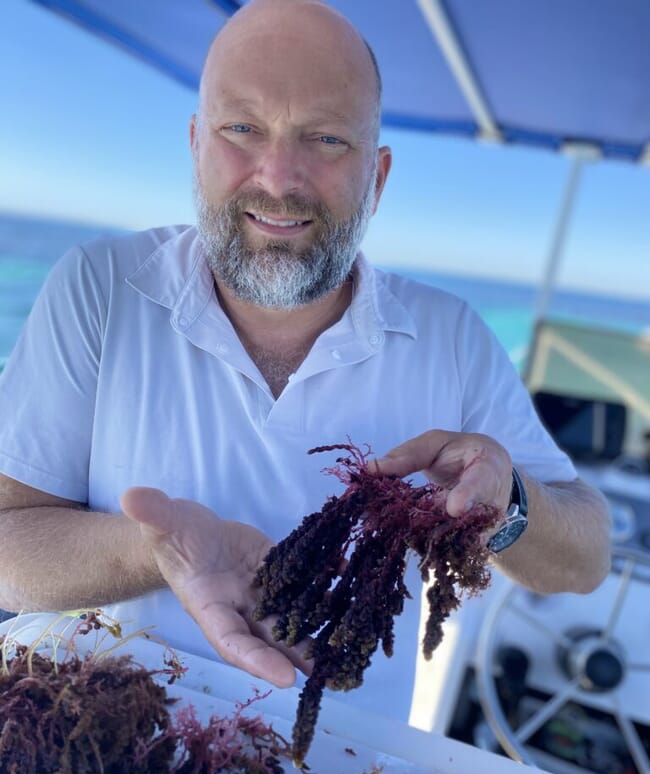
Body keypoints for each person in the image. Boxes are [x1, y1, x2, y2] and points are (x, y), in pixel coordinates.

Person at [0, 0, 610, 721]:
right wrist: (154, 550)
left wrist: (507, 507)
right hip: (91, 743)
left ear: (377, 180)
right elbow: (11, 544)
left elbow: (587, 554)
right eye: (242, 128)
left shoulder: (452, 338)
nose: (279, 176)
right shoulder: (102, 286)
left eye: (325, 139)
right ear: (196, 146)